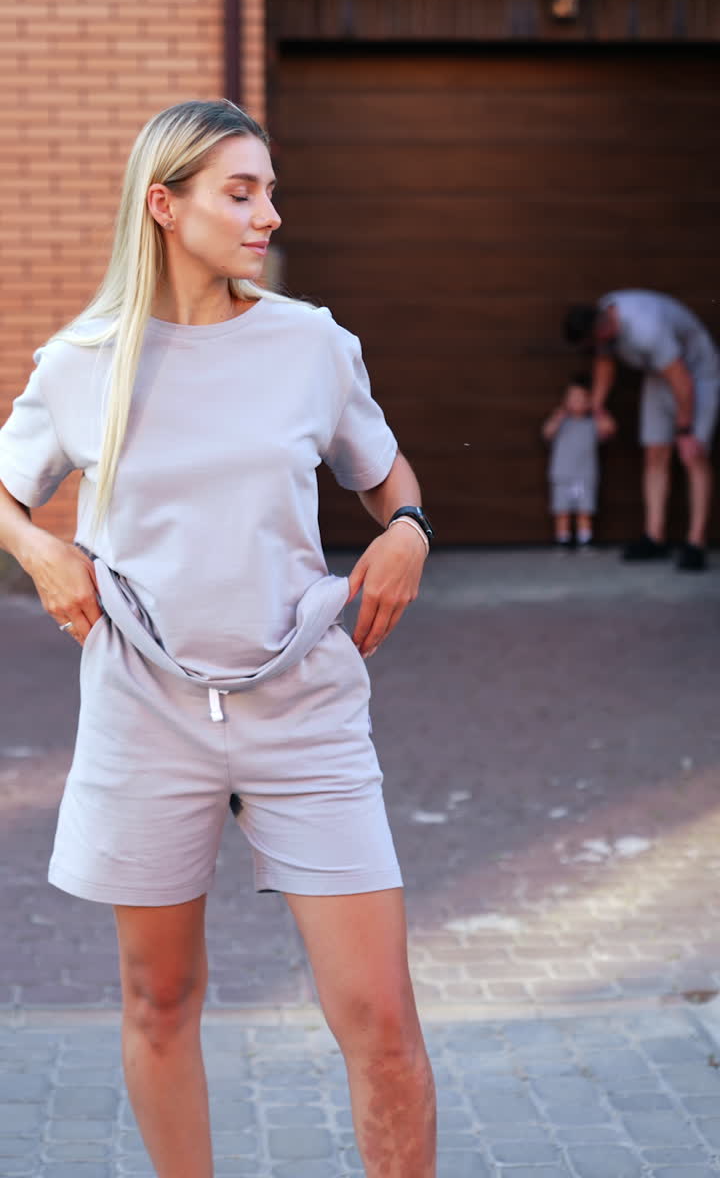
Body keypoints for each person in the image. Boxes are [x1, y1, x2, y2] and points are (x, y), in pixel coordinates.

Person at [0, 100, 437, 1177]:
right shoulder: (81, 360)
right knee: (160, 997)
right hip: (144, 713)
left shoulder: (312, 344)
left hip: (305, 709)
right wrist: (42, 552)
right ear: (165, 204)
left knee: (382, 1018)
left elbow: (386, 478)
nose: (266, 216)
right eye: (241, 193)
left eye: (268, 191)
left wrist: (411, 535)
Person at [564, 290, 720, 571]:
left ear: (602, 328)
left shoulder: (646, 329)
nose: (593, 350)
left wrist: (685, 430)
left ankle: (696, 543)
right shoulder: (602, 318)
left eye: (591, 345)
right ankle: (654, 537)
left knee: (693, 456)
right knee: (654, 455)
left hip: (696, 373)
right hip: (659, 376)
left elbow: (681, 379)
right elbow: (605, 361)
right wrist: (598, 410)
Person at [541, 374, 614, 548]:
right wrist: (556, 418)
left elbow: (609, 429)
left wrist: (598, 410)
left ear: (589, 401)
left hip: (585, 476)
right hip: (562, 475)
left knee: (584, 510)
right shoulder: (562, 422)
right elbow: (547, 433)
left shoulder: (592, 425)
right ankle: (562, 538)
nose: (574, 401)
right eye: (571, 397)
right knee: (562, 510)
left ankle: (584, 538)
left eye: (580, 398)